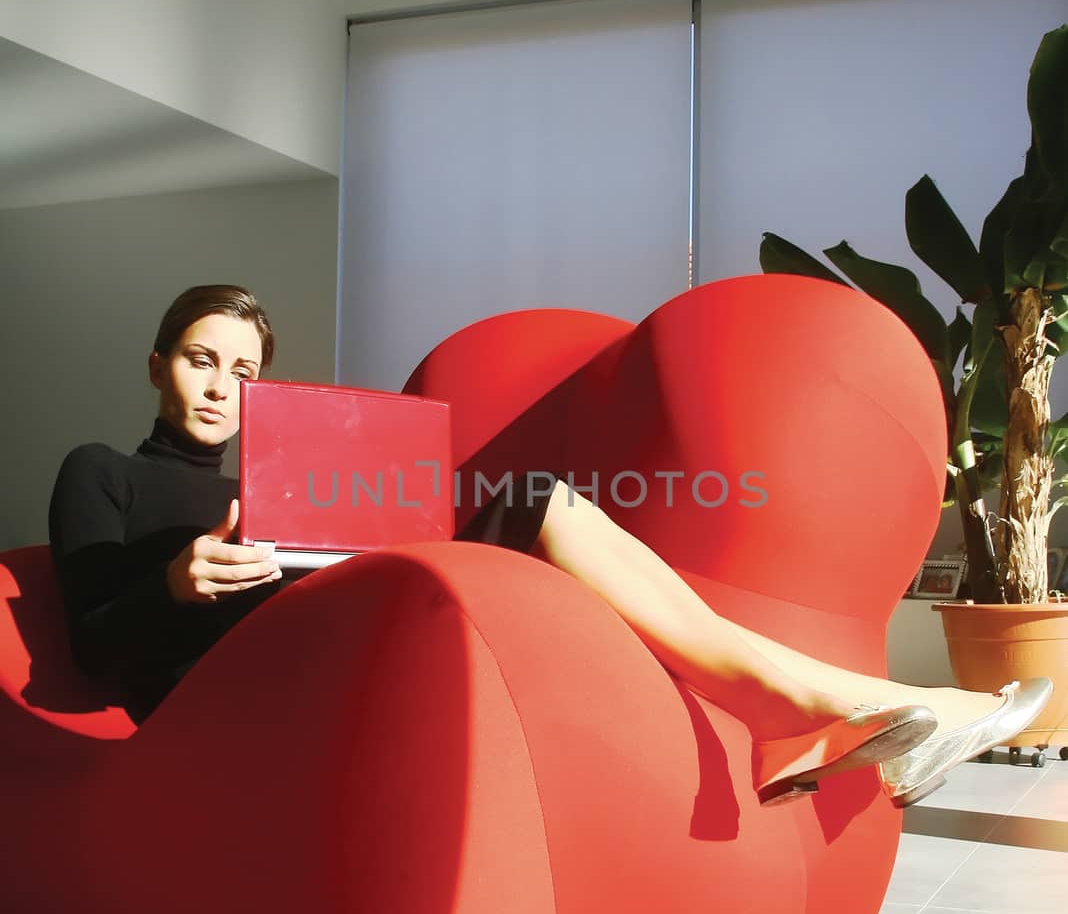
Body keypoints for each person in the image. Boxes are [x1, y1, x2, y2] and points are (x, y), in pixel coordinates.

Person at [48, 284, 1052, 808]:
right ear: (157, 365)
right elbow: (91, 642)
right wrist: (178, 584)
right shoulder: (103, 470)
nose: (221, 386)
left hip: (330, 651)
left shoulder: (268, 482)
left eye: (243, 368)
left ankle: (813, 700)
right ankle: (835, 706)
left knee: (530, 501)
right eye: (199, 360)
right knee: (528, 503)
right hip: (219, 702)